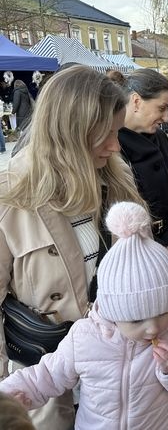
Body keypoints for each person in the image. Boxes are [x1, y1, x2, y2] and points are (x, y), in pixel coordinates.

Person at [0, 65, 144, 429]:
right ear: (67, 133)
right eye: (103, 136)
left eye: (116, 132)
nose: (115, 146)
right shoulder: (10, 195)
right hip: (45, 380)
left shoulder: (116, 179)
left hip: (120, 372)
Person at [0, 202, 168, 429]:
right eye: (136, 320)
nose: (153, 328)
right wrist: (11, 396)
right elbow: (47, 376)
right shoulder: (86, 336)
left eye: (162, 313)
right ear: (112, 310)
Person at [113, 69, 168, 284]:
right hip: (135, 262)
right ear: (136, 101)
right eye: (162, 108)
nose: (166, 118)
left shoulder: (161, 139)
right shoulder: (111, 147)